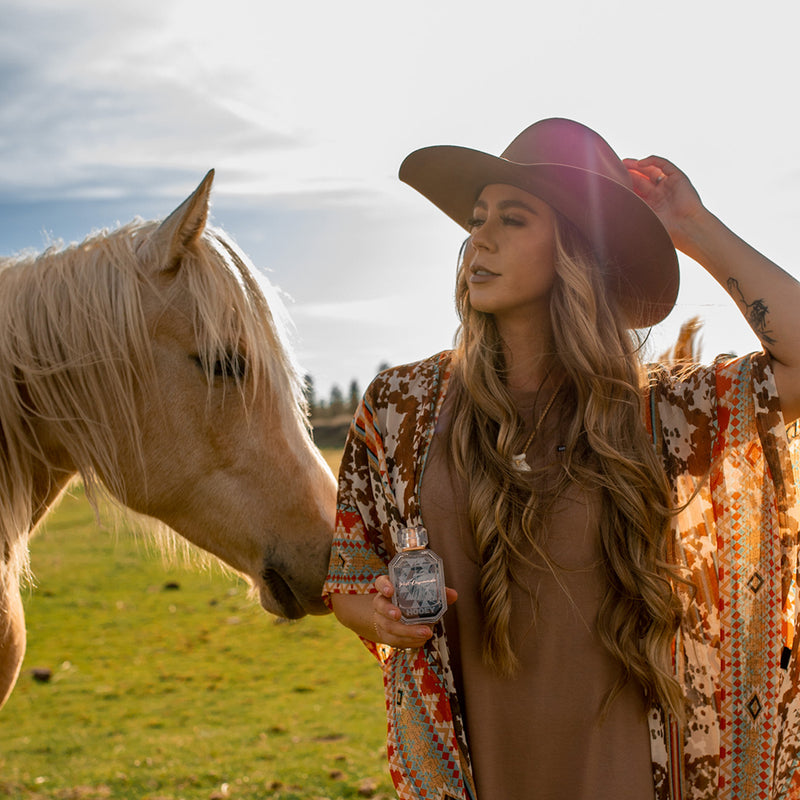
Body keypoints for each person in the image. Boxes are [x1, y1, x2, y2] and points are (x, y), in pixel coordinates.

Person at [322, 118, 800, 800]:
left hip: (626, 770)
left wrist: (692, 226)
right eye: (478, 218)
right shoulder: (401, 405)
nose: (478, 238)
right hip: (468, 774)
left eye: (513, 219)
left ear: (575, 250)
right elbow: (348, 572)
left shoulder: (659, 415)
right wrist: (378, 615)